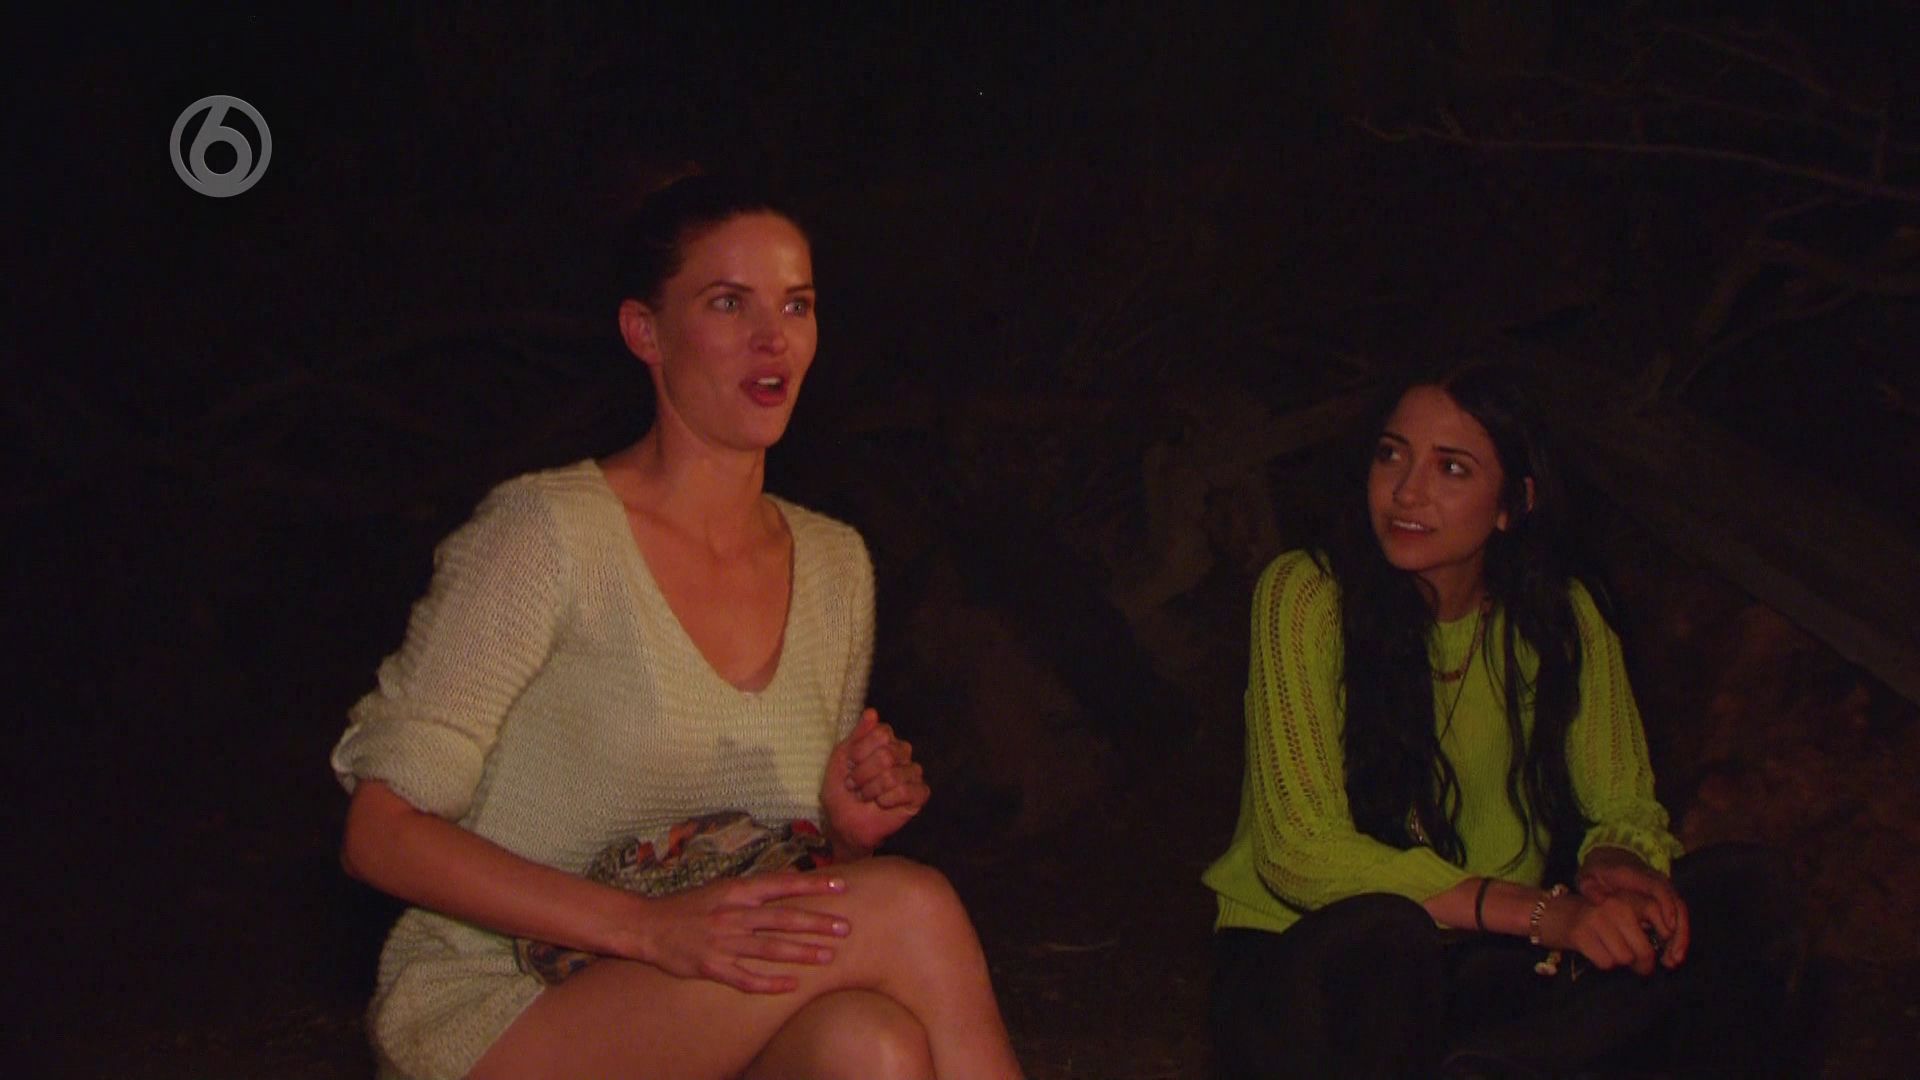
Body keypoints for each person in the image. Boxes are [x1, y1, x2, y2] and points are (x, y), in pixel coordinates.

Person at [333, 174, 1024, 1080]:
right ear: (645, 333)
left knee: (873, 1047)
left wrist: (846, 836)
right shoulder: (547, 534)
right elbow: (379, 833)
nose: (773, 337)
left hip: (695, 1014)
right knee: (911, 910)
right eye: (729, 303)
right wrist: (647, 929)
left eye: (797, 304)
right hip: (506, 1008)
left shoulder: (834, 565)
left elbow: (770, 892)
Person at [1202, 365, 1802, 1077]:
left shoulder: (1563, 620)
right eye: (1391, 454)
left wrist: (1616, 867)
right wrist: (1544, 914)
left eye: (1450, 467)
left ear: (1513, 504)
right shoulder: (1307, 595)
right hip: (1315, 976)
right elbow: (1300, 852)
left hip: (1486, 969)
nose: (1406, 491)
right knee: (1388, 933)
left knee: (1745, 890)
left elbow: (1624, 805)